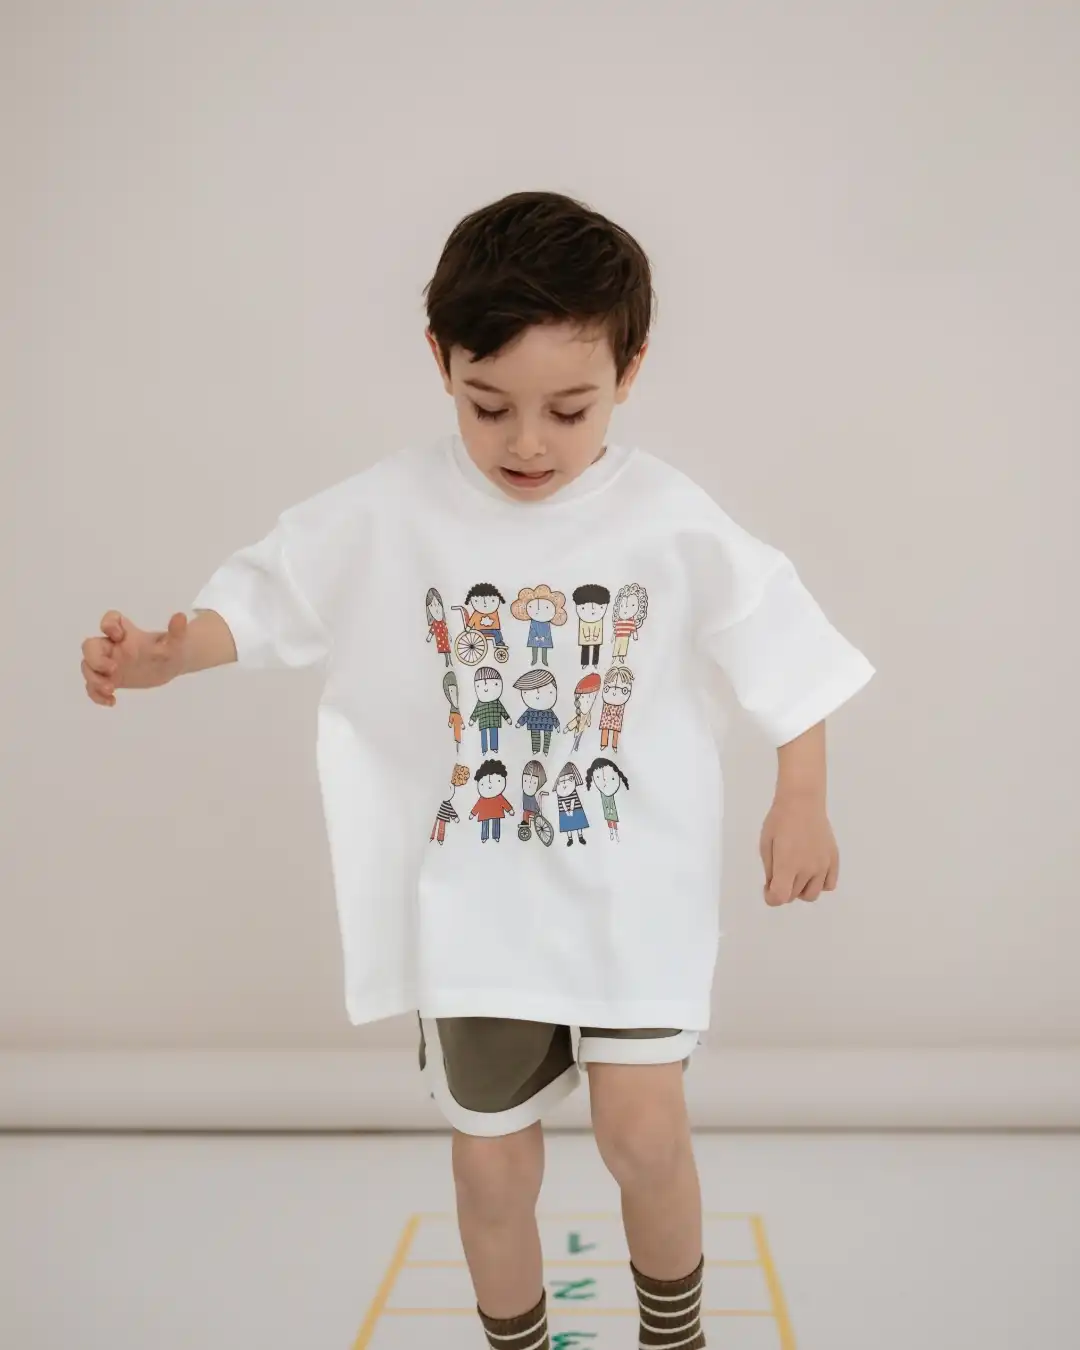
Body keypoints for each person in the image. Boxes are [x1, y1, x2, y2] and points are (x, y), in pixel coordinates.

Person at [79, 189, 875, 1350]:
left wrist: (800, 798)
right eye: (488, 404)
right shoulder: (393, 508)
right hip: (477, 904)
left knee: (644, 1134)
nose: (528, 444)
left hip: (632, 895)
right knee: (491, 1168)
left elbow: (786, 651)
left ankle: (676, 1338)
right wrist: (171, 653)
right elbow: (268, 596)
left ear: (630, 370)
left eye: (569, 408)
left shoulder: (669, 518)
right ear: (440, 361)